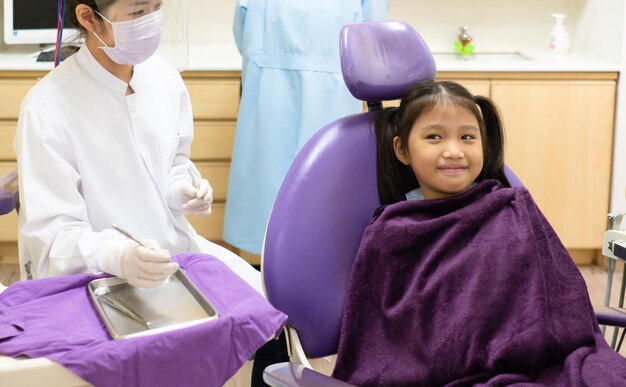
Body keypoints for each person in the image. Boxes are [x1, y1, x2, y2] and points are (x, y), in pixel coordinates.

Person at [331, 80, 626, 385]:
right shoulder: (392, 233)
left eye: (468, 137)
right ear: (402, 149)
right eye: (434, 137)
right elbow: (384, 338)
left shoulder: (513, 207)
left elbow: (560, 299)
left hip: (544, 360)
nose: (454, 151)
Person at [13, 0, 262, 294]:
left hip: (178, 257)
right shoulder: (46, 109)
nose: (152, 21)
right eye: (138, 12)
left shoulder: (165, 79)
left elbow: (174, 163)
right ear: (88, 18)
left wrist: (181, 188)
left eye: (157, 7)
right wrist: (114, 255)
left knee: (272, 303)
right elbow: (53, 238)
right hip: (97, 280)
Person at [224, 0, 389, 257]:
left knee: (268, 179)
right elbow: (373, 37)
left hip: (270, 83)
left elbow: (241, 29)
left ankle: (268, 269)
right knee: (323, 182)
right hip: (332, 86)